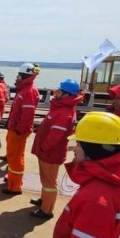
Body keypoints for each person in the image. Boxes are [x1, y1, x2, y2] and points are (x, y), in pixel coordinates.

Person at [29, 79, 83, 220]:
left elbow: (55, 136)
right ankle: (44, 200)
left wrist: (44, 146)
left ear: (66, 95)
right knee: (45, 178)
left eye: (59, 91)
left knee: (50, 182)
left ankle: (47, 210)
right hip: (46, 152)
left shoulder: (65, 112)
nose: (56, 93)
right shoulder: (61, 108)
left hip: (50, 153)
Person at [3, 63, 40, 195]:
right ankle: (12, 180)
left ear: (24, 76)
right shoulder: (25, 89)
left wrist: (19, 130)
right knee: (13, 156)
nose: (16, 77)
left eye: (19, 75)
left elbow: (27, 115)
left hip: (19, 131)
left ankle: (15, 186)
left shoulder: (28, 91)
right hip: (15, 129)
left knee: (16, 157)